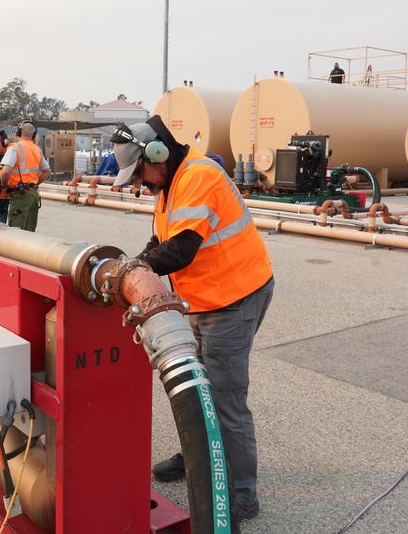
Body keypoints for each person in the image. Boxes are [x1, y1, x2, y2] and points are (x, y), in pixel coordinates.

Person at [110, 116, 274, 523]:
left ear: (158, 154)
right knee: (197, 387)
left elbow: (180, 251)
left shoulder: (198, 176)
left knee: (224, 399)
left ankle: (241, 496)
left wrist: (134, 270)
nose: (140, 183)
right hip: (202, 299)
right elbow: (159, 240)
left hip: (234, 298)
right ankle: (199, 458)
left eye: (140, 173)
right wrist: (134, 262)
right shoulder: (168, 182)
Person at [0, 121, 51, 232]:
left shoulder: (14, 148)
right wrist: (34, 184)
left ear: (18, 132)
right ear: (33, 135)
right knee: (29, 232)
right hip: (33, 194)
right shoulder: (37, 150)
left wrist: (4, 187)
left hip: (20, 194)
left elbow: (6, 171)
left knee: (15, 232)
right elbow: (46, 171)